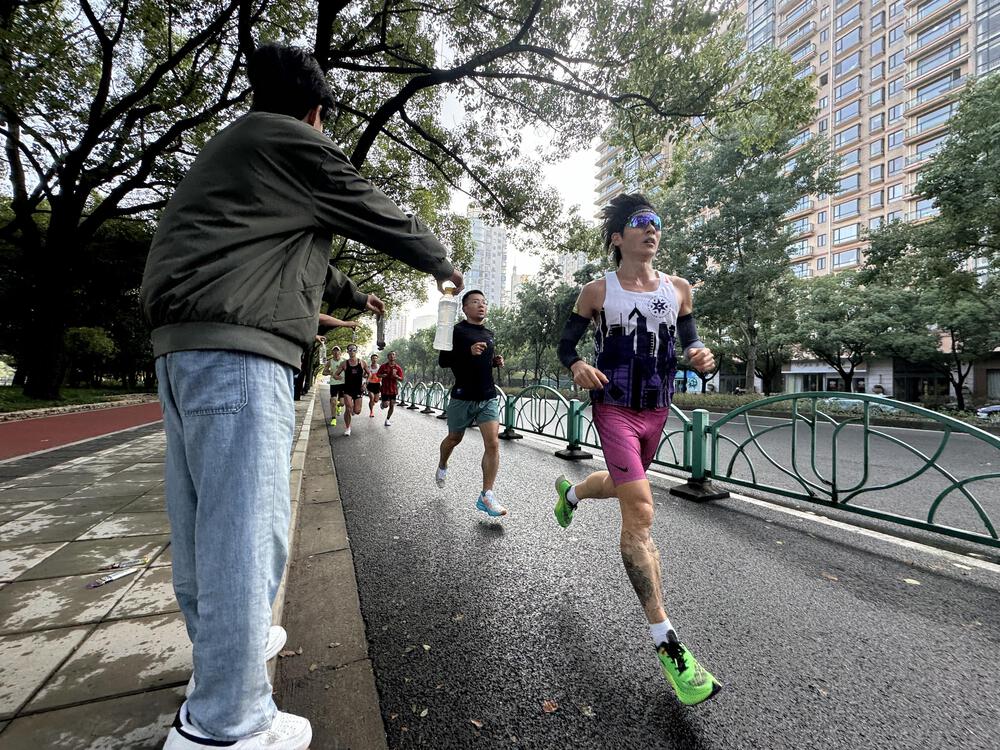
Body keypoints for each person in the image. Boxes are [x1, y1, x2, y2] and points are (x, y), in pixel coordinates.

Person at [140, 43, 462, 750]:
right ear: (316, 113)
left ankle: (228, 653)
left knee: (214, 527)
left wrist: (356, 296)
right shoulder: (289, 139)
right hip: (239, 354)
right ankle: (225, 722)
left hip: (189, 350)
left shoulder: (241, 154)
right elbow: (365, 205)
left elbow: (306, 260)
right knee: (241, 535)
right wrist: (442, 263)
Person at [551, 193, 720, 707]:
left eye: (657, 223)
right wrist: (577, 365)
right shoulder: (597, 292)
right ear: (617, 238)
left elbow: (690, 343)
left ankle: (574, 493)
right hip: (615, 409)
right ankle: (668, 645)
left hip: (657, 411)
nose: (652, 230)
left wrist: (701, 356)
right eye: (640, 223)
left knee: (628, 489)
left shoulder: (680, 290)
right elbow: (566, 346)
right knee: (641, 509)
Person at [435, 290, 507, 517]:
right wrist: (468, 351)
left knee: (493, 444)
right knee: (454, 438)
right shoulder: (455, 331)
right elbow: (443, 361)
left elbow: (482, 362)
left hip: (487, 396)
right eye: (475, 302)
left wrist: (494, 361)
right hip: (462, 396)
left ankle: (487, 495)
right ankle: (443, 464)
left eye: (484, 302)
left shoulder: (489, 333)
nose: (481, 306)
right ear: (464, 308)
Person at [333, 344, 366, 436]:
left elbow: (369, 374)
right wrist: (338, 377)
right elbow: (335, 374)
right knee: (348, 408)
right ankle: (348, 428)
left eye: (354, 349)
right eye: (350, 350)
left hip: (358, 390)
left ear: (356, 351)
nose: (352, 351)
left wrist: (365, 383)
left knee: (357, 411)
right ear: (347, 351)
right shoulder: (344, 363)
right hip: (347, 389)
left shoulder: (362, 363)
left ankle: (352, 411)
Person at [376, 351, 404, 426]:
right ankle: (383, 404)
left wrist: (396, 377)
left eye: (393, 355)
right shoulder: (383, 366)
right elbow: (378, 374)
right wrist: (382, 375)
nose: (392, 356)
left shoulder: (398, 368)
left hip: (393, 389)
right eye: (390, 355)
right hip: (385, 388)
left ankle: (387, 419)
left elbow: (401, 379)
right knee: (386, 405)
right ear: (388, 357)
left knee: (392, 405)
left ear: (395, 357)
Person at [325, 345, 346, 427]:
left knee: (342, 403)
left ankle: (339, 406)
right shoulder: (330, 362)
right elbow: (324, 372)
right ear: (332, 353)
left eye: (337, 351)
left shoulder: (344, 361)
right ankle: (333, 418)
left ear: (340, 352)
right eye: (334, 351)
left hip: (343, 384)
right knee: (333, 401)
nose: (336, 352)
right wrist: (331, 373)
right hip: (333, 384)